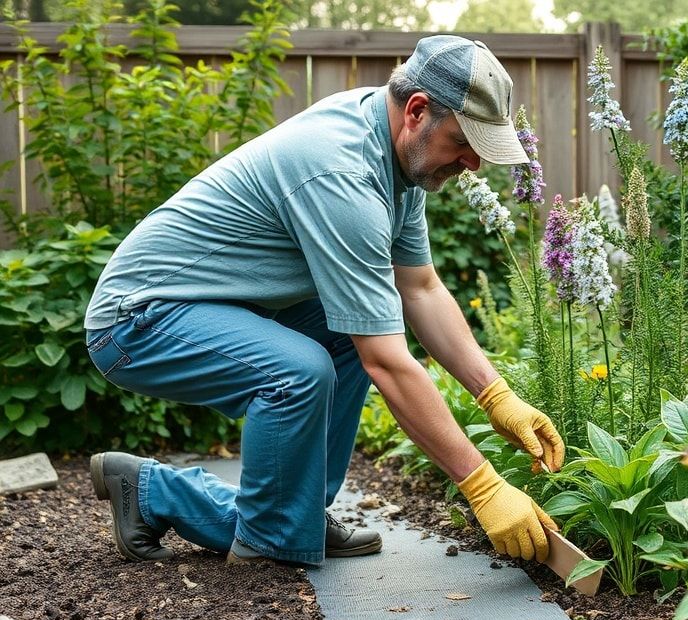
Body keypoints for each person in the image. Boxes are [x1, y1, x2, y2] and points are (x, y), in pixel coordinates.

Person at [83, 35, 564, 567]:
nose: (473, 163)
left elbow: (419, 289)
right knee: (299, 371)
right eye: (463, 141)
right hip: (138, 320)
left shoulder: (396, 159)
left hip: (214, 305)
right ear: (417, 111)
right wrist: (482, 486)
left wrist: (495, 396)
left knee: (348, 329)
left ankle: (287, 514)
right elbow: (386, 361)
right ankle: (233, 522)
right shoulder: (342, 171)